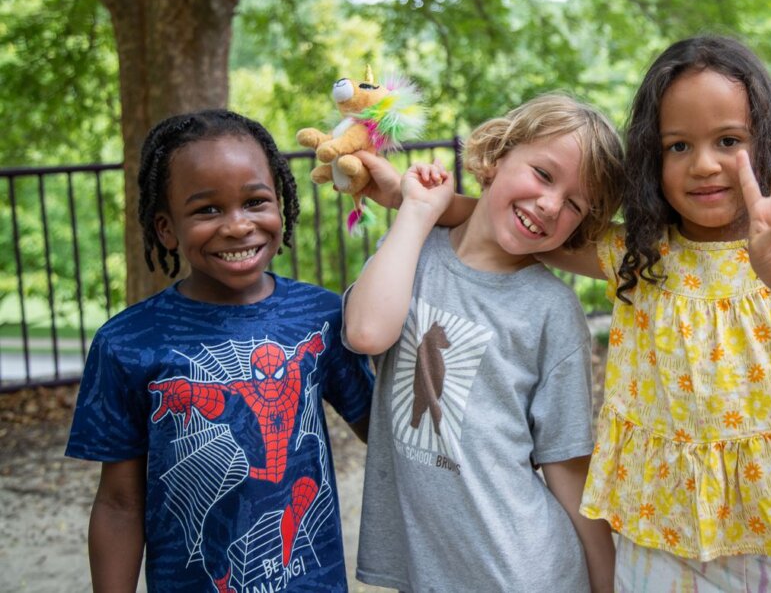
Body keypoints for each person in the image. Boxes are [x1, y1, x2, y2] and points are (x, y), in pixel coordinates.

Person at [531, 35, 771, 591]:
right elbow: (523, 230)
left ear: (767, 144)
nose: (703, 165)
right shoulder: (640, 253)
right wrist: (414, 200)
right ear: (652, 156)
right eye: (677, 146)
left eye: (728, 140)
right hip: (657, 545)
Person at [66, 109, 374, 593]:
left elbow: (384, 432)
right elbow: (120, 504)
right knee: (221, 530)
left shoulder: (322, 315)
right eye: (207, 209)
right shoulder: (127, 342)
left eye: (255, 201)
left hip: (314, 581)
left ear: (282, 205)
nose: (237, 226)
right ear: (166, 228)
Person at [343, 93, 624, 592]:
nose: (551, 204)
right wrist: (416, 210)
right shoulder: (414, 251)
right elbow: (366, 333)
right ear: (496, 156)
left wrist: (608, 585)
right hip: (431, 570)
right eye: (543, 173)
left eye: (576, 204)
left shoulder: (551, 310)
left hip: (524, 572)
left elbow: (567, 464)